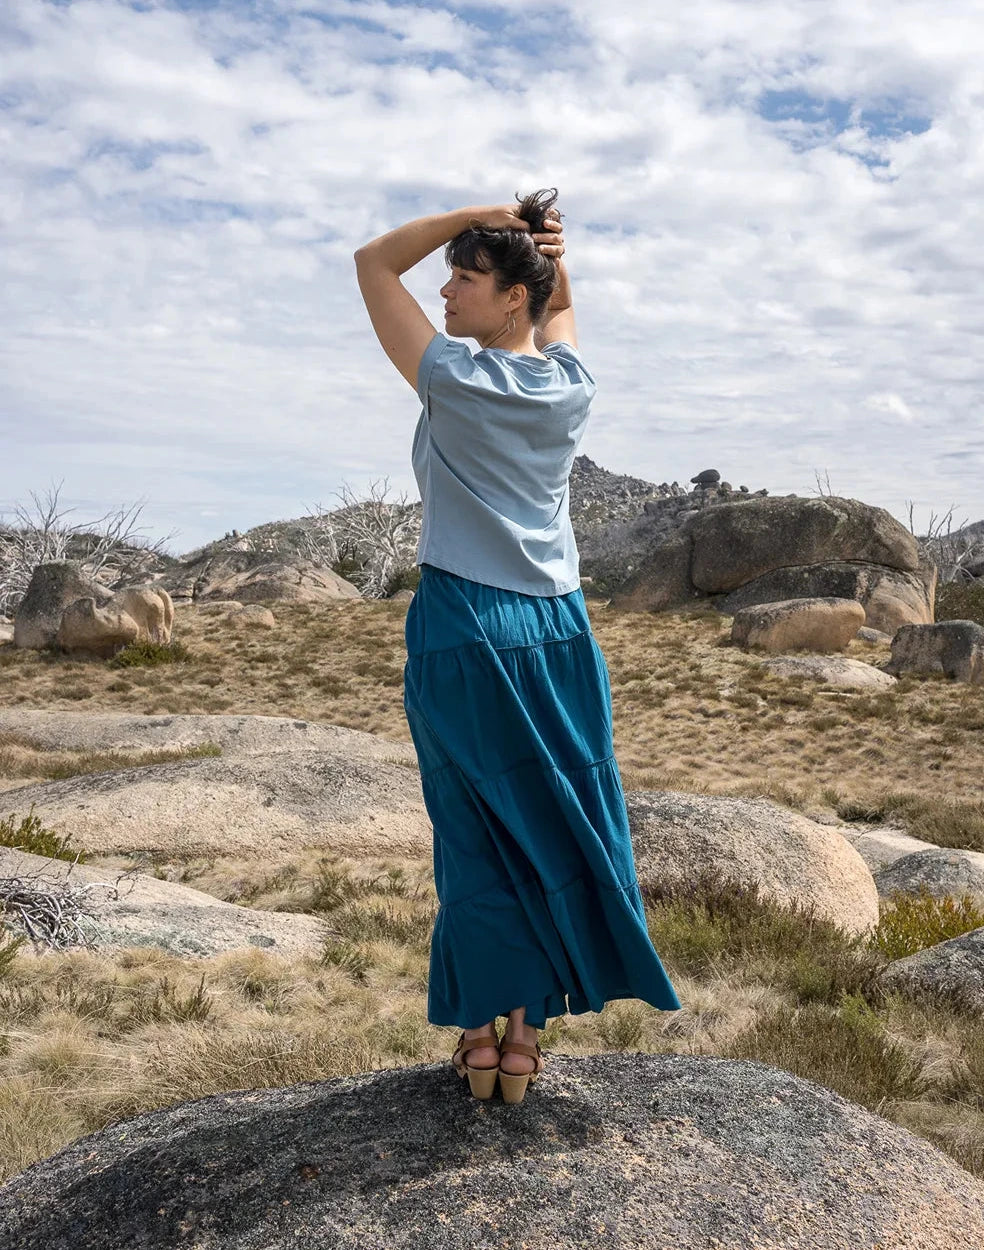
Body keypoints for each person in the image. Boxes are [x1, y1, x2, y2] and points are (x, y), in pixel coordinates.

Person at [354, 189, 682, 1104]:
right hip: (560, 632)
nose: (448, 291)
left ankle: (477, 1031)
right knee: (550, 827)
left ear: (508, 299)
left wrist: (475, 206)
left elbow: (373, 263)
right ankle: (526, 1037)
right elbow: (564, 311)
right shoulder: (572, 387)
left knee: (473, 831)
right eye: (451, 275)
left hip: (465, 626)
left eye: (466, 277)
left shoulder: (452, 378)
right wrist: (548, 253)